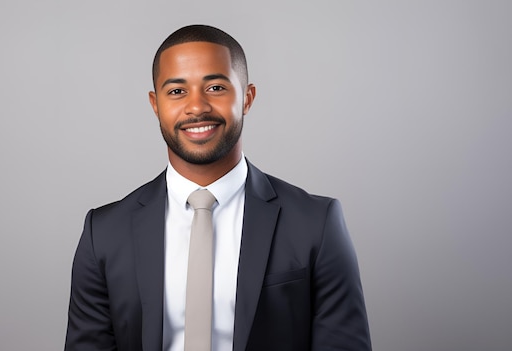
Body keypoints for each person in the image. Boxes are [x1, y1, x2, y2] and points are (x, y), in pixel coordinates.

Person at [65, 24, 371, 351]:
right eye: (177, 91)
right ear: (156, 105)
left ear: (247, 98)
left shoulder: (316, 223)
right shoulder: (104, 233)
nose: (197, 107)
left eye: (214, 88)